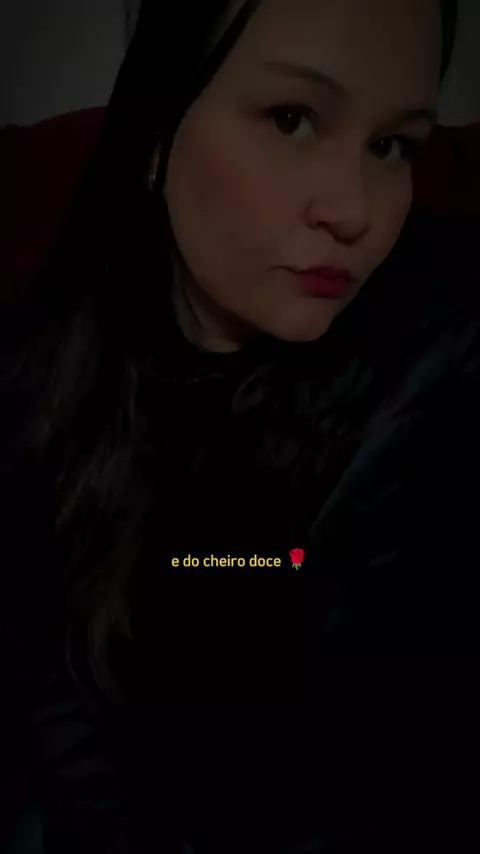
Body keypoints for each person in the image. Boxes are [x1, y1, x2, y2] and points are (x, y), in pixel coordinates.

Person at [1, 0, 478, 852]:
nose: (355, 210)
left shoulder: (444, 350)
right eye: (292, 118)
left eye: (392, 145)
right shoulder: (43, 366)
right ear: (157, 133)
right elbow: (52, 684)